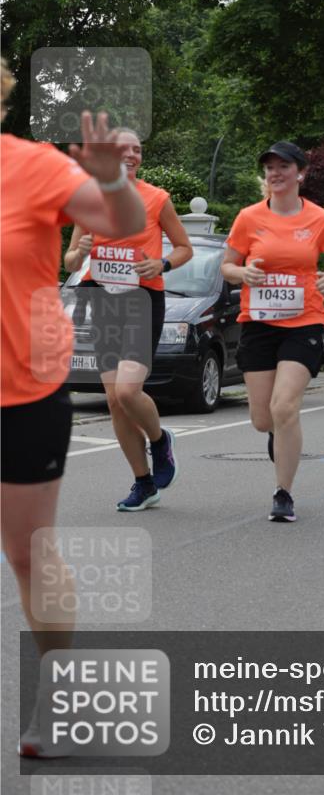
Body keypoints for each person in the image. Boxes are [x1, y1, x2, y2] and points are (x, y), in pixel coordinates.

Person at [0, 58, 146, 757]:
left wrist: (112, 177)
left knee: (29, 552)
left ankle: (52, 698)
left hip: (20, 387)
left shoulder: (33, 167)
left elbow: (119, 219)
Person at [220, 141, 324, 522]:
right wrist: (242, 273)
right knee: (263, 419)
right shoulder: (248, 217)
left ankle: (284, 493)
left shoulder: (320, 220)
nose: (275, 173)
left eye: (284, 166)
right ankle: (277, 434)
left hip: (305, 321)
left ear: (301, 173)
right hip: (259, 323)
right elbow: (227, 267)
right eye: (270, 167)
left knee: (285, 407)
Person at [65, 130, 193, 511]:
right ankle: (143, 483)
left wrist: (162, 263)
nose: (131, 155)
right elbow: (69, 261)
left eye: (137, 149)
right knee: (114, 402)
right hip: (100, 299)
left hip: (141, 299)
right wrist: (79, 251)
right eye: (123, 149)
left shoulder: (156, 198)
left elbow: (184, 247)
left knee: (127, 391)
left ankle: (159, 440)